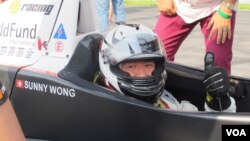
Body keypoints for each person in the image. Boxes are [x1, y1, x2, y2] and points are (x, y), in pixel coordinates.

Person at [97, 24, 236, 112]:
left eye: (148, 65)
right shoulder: (99, 109)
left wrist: (218, 101)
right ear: (110, 66)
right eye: (131, 66)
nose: (143, 74)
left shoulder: (164, 101)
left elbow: (202, 124)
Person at [154, 0, 238, 75]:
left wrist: (226, 8)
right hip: (179, 5)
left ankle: (216, 92)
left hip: (217, 6)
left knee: (218, 63)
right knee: (155, 55)